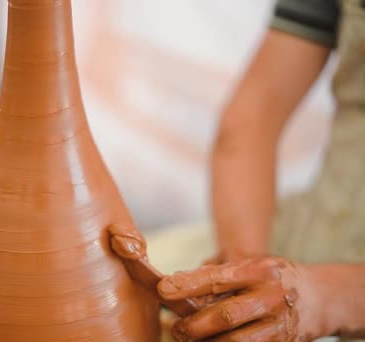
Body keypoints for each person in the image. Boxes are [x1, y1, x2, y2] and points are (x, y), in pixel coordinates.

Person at [115, 0, 365, 340]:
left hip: (344, 294)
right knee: (115, 281)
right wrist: (246, 273)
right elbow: (253, 120)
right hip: (317, 233)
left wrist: (328, 298)